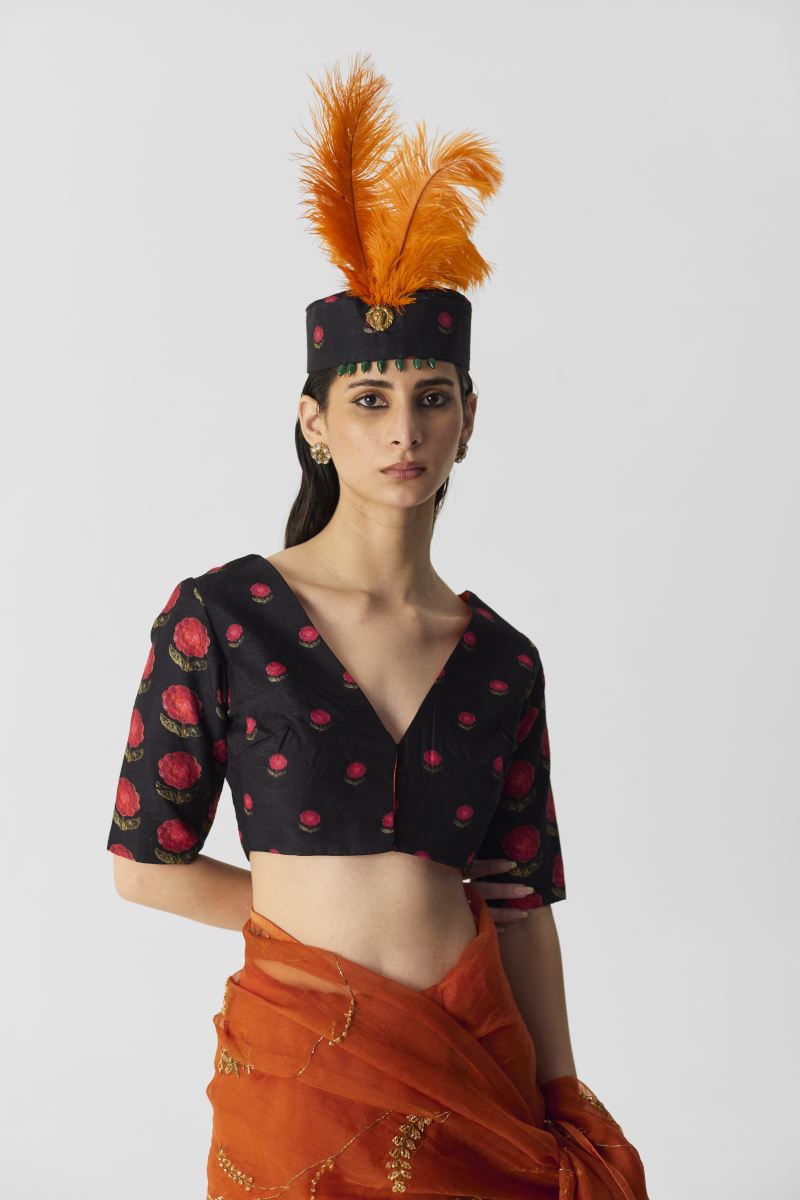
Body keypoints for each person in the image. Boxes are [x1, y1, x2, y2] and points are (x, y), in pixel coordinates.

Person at [107, 51, 649, 1200]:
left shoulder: (499, 659)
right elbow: (145, 867)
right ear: (314, 423)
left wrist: (562, 1096)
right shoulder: (222, 620)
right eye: (368, 400)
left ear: (466, 421)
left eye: (430, 399)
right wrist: (324, 947)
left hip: (477, 1063)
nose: (402, 430)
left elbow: (518, 905)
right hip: (303, 1064)